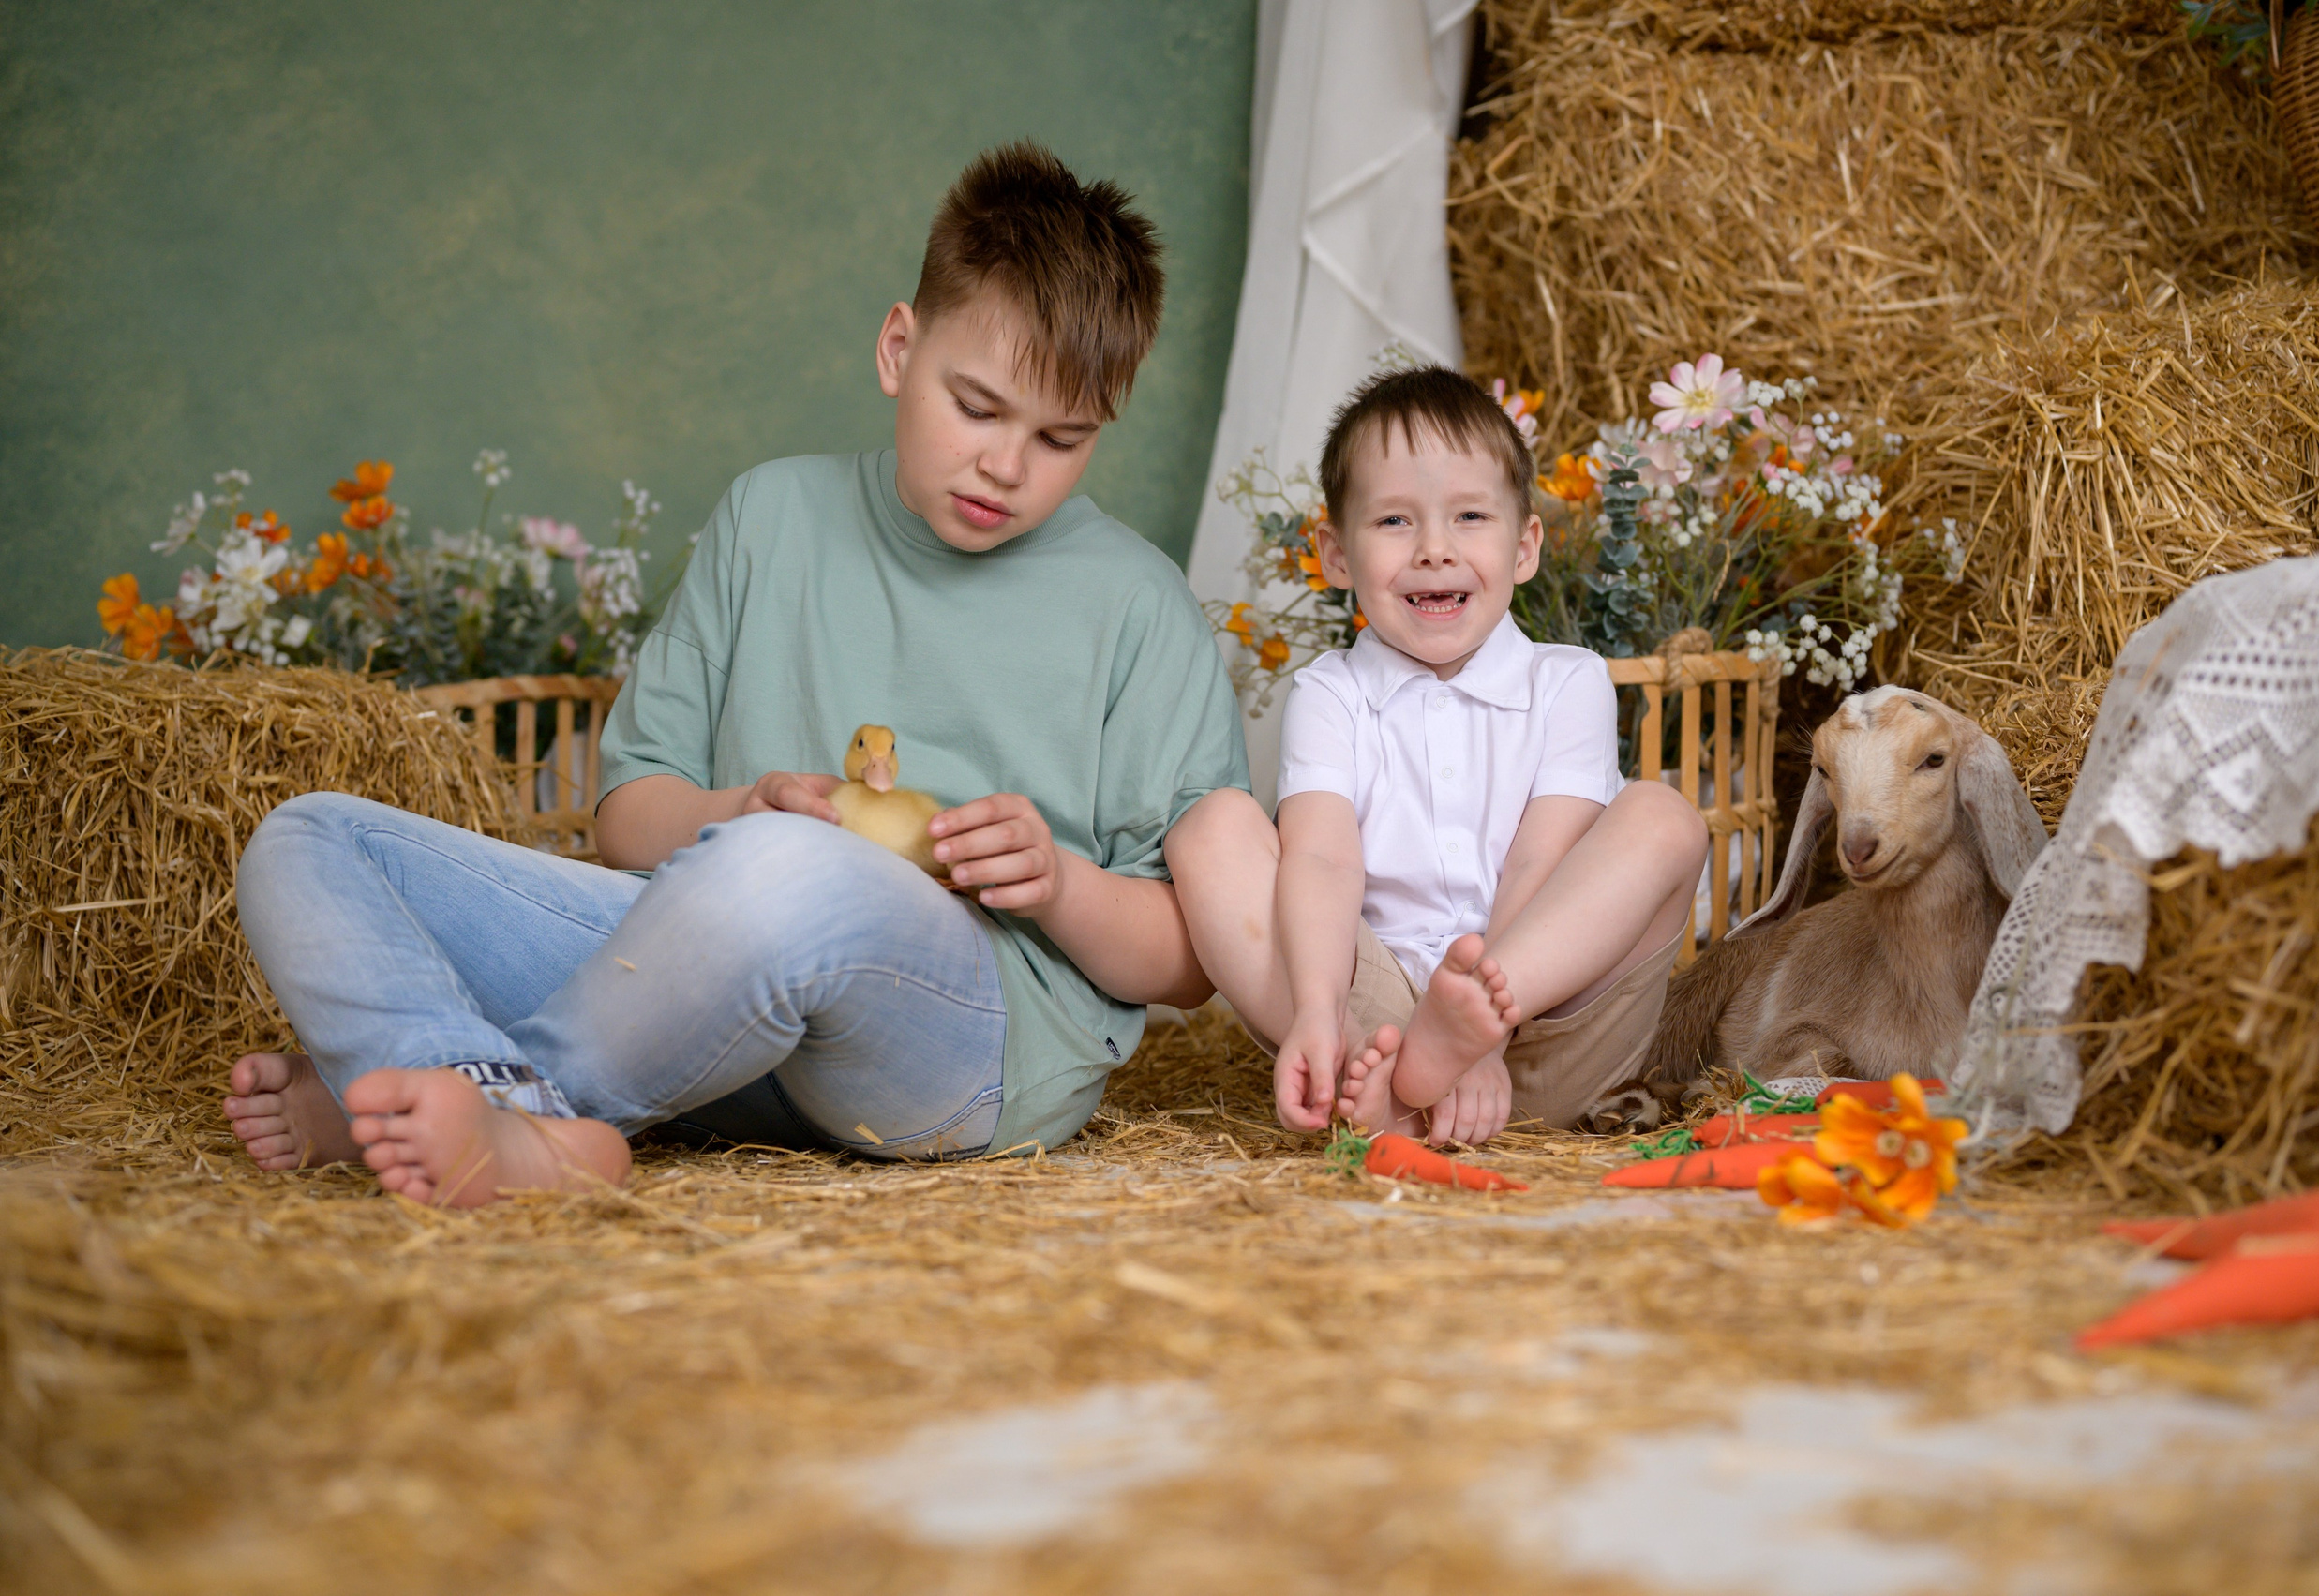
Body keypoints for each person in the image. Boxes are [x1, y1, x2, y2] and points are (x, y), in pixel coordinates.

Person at [222, 142, 1248, 1206]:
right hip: (701, 1010)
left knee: (786, 869)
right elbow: (629, 820)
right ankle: (470, 1088)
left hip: (959, 1051)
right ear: (899, 348)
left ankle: (469, 1109)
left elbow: (1188, 964)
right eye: (977, 408)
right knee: (310, 838)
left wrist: (1059, 885)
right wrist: (737, 807)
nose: (1007, 464)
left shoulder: (1138, 603)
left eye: (1062, 438)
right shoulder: (769, 516)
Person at [1167, 366, 1709, 1146]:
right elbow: (1320, 859)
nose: (1433, 549)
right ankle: (1374, 1085)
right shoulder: (1331, 694)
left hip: (1546, 1032)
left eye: (1469, 516)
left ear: (1524, 546)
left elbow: (1539, 863)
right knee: (1210, 828)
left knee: (1663, 817)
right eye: (1394, 519)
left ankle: (1437, 1062)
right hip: (1375, 1025)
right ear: (1336, 554)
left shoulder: (1568, 682)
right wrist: (1316, 1007)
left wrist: (1482, 1028)